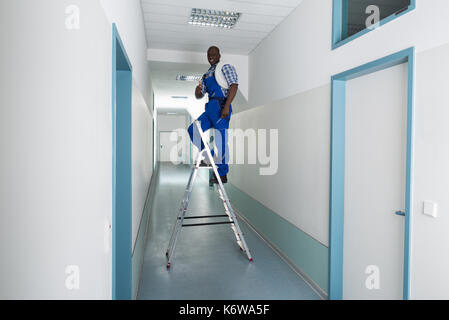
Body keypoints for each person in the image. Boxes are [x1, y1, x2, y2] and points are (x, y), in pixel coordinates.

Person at [187, 46, 239, 184]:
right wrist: (197, 90)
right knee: (193, 130)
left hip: (221, 106)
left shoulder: (225, 67)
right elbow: (199, 95)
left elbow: (234, 85)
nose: (211, 56)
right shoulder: (206, 75)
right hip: (210, 108)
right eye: (209, 55)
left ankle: (222, 174)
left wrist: (227, 106)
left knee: (220, 141)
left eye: (214, 54)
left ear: (219, 55)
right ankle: (208, 157)